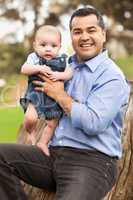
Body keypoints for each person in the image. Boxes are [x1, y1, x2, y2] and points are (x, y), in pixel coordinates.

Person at [0, 6, 130, 200]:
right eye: (78, 32)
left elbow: (93, 123)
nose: (84, 36)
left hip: (91, 163)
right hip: (52, 155)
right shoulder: (61, 65)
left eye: (91, 30)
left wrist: (60, 95)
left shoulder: (111, 76)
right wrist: (32, 107)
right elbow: (35, 92)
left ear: (103, 34)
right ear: (71, 37)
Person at [20, 25, 73, 155]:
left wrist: (59, 76)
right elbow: (24, 69)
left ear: (60, 47)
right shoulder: (34, 58)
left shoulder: (63, 59)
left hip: (54, 99)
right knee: (30, 118)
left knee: (52, 124)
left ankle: (43, 142)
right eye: (43, 45)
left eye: (53, 46)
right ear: (35, 45)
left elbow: (69, 73)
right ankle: (30, 132)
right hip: (36, 95)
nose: (48, 49)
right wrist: (38, 68)